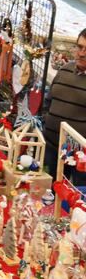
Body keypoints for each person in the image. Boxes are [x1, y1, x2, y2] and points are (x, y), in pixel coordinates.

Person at [43, 28, 86, 184]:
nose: (81, 53)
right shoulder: (64, 70)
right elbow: (48, 101)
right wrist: (46, 121)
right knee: (47, 194)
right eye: (79, 47)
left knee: (77, 200)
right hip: (52, 147)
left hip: (80, 157)